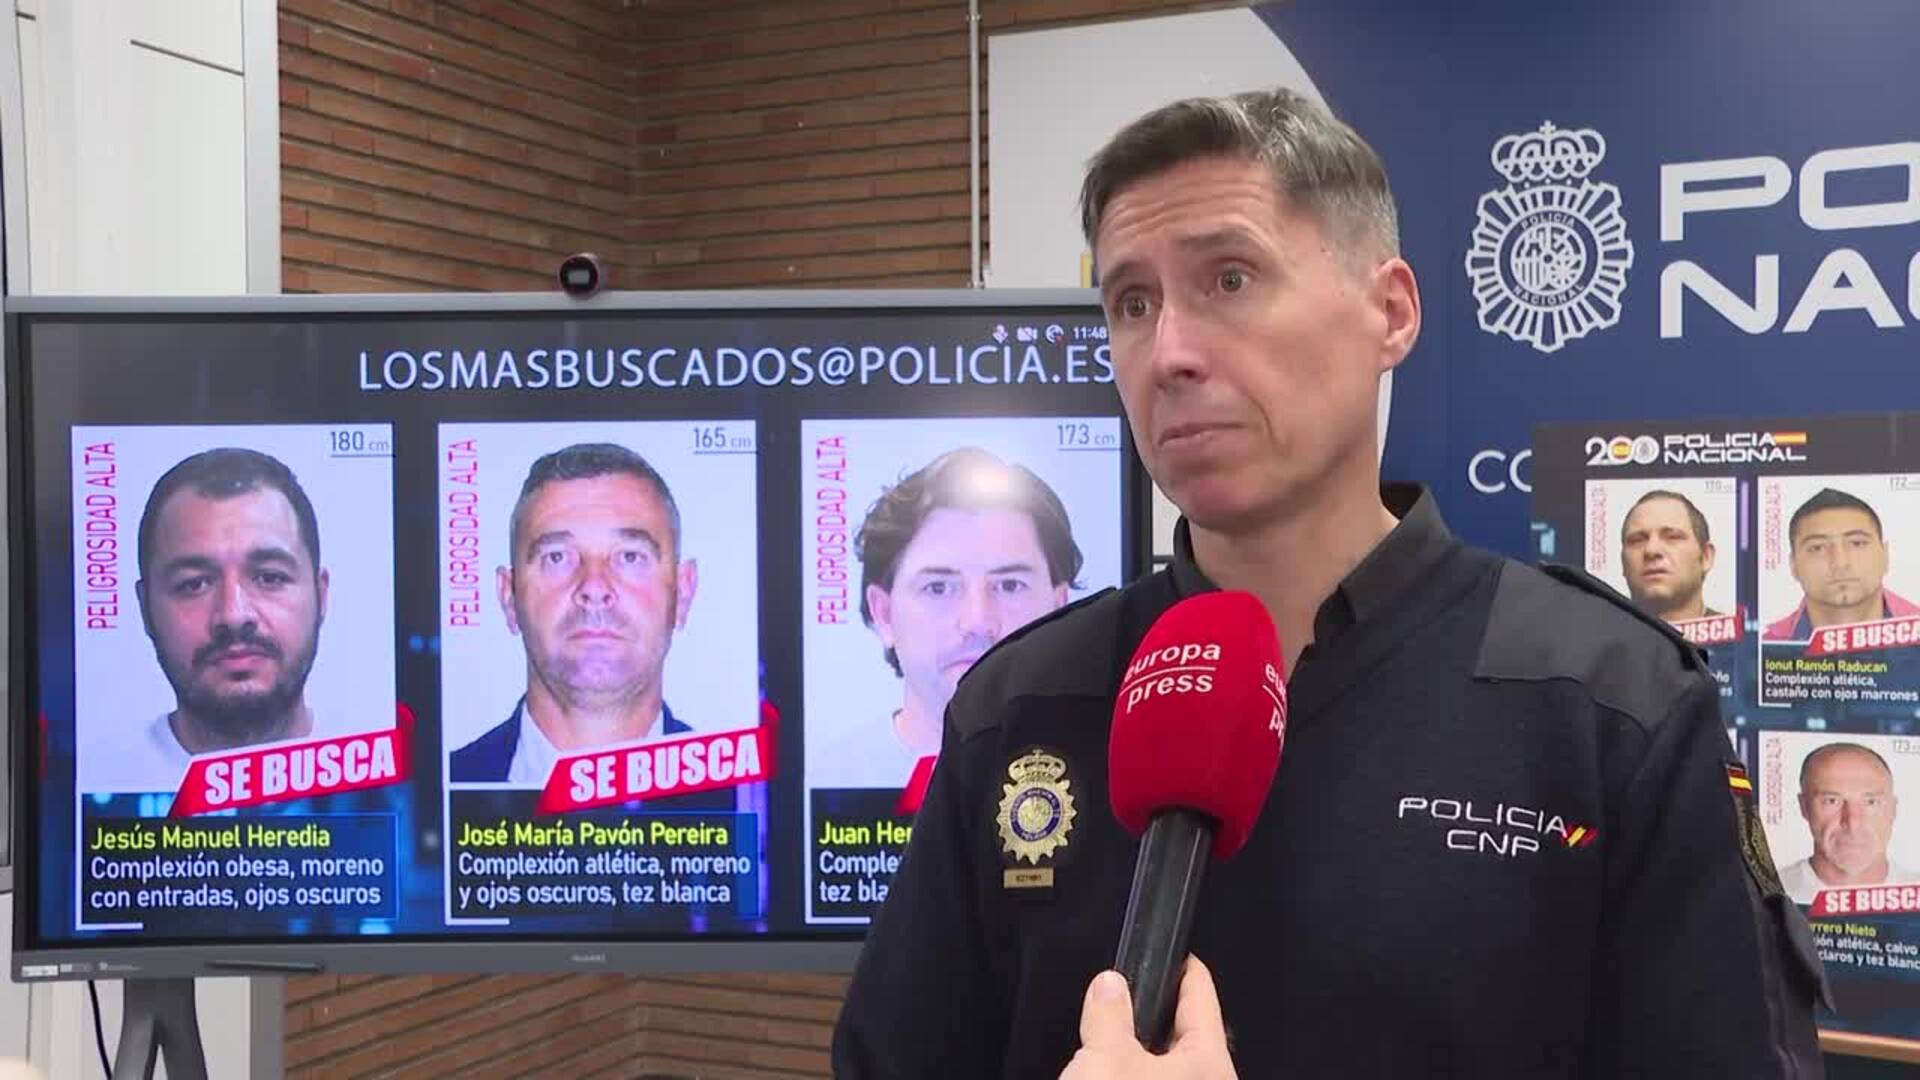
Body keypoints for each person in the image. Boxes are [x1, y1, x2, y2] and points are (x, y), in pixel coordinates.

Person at [833, 89, 1826, 1078]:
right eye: (1133, 303)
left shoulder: (1613, 707)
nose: (1169, 352)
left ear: (1389, 312)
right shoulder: (1018, 708)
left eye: (1229, 279)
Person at [819, 447, 1083, 789]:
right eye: (938, 588)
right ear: (883, 614)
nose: (978, 622)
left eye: (1009, 585)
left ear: (1058, 608)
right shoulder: (827, 775)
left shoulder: (1109, 771)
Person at [450, 443, 697, 784]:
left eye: (629, 556)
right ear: (509, 597)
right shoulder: (441, 784)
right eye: (557, 557)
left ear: (682, 593)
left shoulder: (742, 796)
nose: (594, 587)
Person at [112, 447, 333, 791]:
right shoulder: (95, 773)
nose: (233, 615)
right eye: (194, 584)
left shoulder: (394, 772)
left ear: (321, 596)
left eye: (270, 577)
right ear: (145, 608)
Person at [1765, 487, 1919, 641]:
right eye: (1817, 547)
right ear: (1793, 565)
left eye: (1857, 543)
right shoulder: (1764, 646)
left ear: (1885, 556)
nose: (1840, 563)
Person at [1780, 742, 1918, 904]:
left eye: (1871, 802)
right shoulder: (1767, 896)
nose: (1853, 822)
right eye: (1831, 801)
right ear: (1804, 807)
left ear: (1893, 809)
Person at [1619, 489, 1721, 623]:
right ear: (1623, 562)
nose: (1651, 550)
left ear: (1706, 556)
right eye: (1637, 540)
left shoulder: (1740, 635)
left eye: (1672, 537)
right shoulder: (1598, 634)